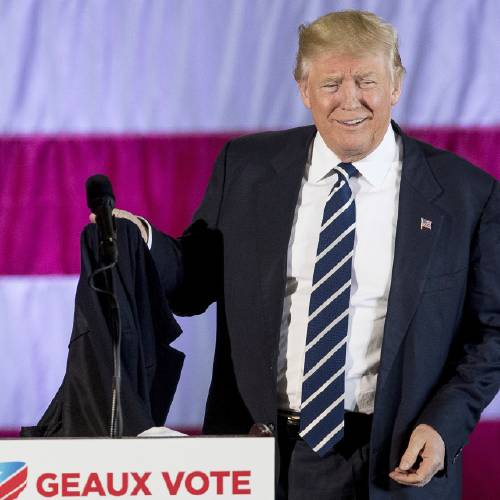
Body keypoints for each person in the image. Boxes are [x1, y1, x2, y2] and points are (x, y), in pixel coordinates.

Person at [106, 10, 500, 499]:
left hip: (396, 460)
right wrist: (139, 241)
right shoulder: (246, 168)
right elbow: (194, 284)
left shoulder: (466, 195)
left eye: (367, 81)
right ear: (303, 89)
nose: (350, 99)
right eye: (331, 82)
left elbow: (491, 333)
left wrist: (445, 424)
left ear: (396, 84)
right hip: (264, 457)